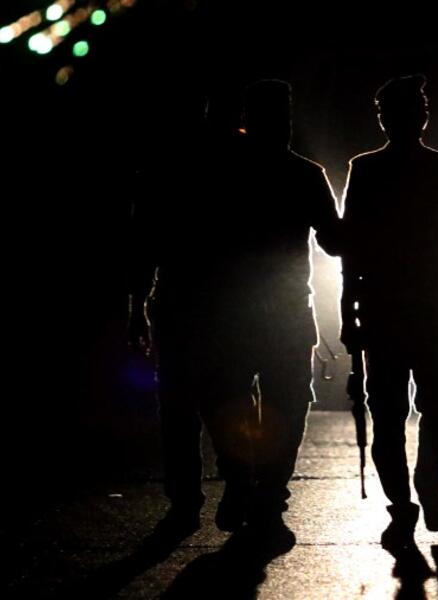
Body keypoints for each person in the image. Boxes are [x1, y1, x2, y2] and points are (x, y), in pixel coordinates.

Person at [128, 80, 341, 541]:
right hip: (273, 313)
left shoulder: (205, 169)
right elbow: (335, 241)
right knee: (278, 403)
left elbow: (150, 242)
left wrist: (139, 302)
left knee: (223, 404)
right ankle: (260, 496)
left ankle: (236, 491)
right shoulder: (300, 173)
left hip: (228, 313)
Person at [339, 74, 438, 550]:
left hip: (392, 306)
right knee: (429, 404)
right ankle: (419, 494)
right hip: (415, 306)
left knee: (396, 411)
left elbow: (351, 248)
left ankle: (410, 500)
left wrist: (348, 311)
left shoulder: (370, 169)